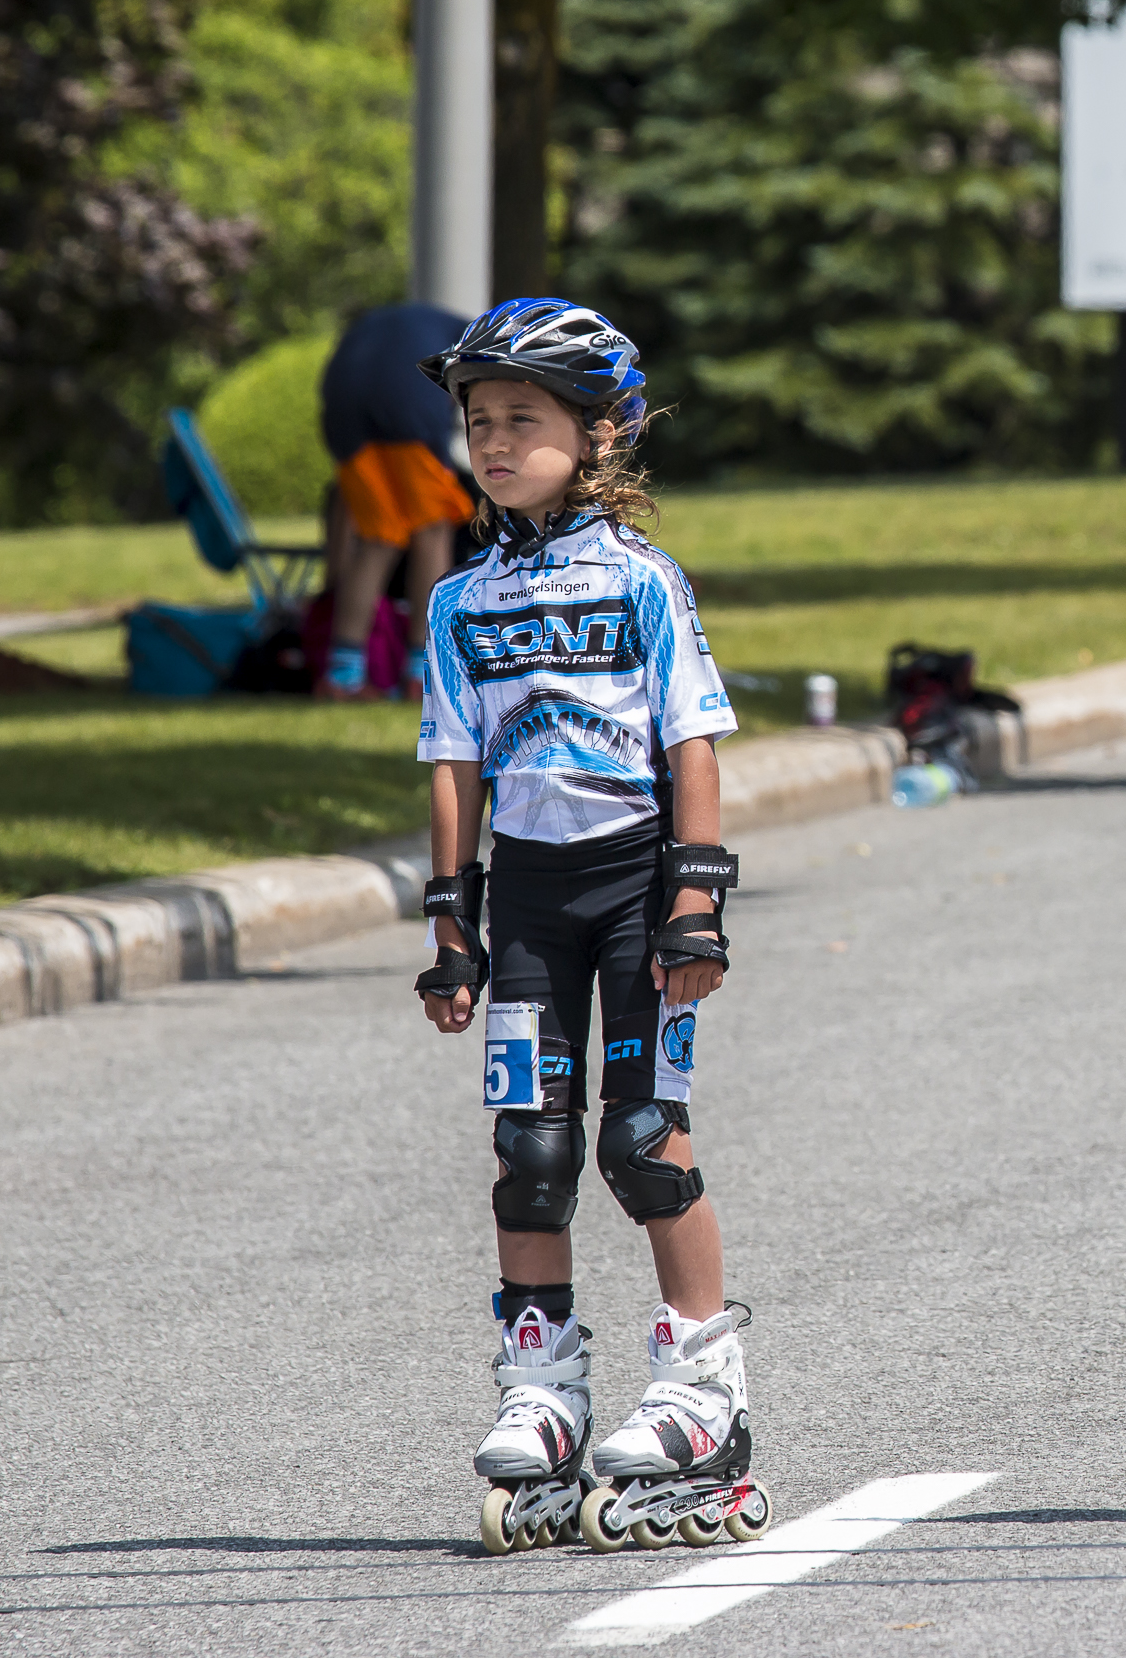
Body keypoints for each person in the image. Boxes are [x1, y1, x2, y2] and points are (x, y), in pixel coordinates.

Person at [410, 299, 767, 1556]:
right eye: (478, 421)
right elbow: (454, 763)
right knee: (531, 1149)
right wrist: (452, 920)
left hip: (634, 883)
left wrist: (695, 897)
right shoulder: (460, 600)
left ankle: (701, 1377)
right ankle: (542, 1388)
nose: (494, 441)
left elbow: (691, 739)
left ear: (599, 431)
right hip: (531, 898)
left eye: (524, 419)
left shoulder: (641, 580)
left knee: (644, 1138)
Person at [319, 300, 480, 700]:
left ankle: (343, 675)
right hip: (404, 402)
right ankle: (420, 673)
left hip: (343, 409)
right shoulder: (478, 340)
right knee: (432, 531)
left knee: (380, 537)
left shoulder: (415, 322)